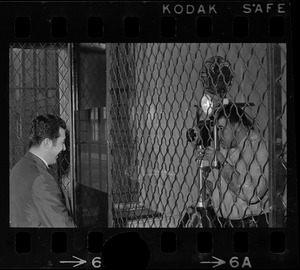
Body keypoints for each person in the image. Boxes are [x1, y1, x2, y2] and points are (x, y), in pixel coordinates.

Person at [204, 104, 269, 228]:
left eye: (222, 128)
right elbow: (211, 187)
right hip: (223, 222)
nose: (218, 135)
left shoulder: (260, 148)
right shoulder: (223, 148)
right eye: (216, 129)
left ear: (237, 126)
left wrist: (222, 162)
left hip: (252, 223)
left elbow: (252, 194)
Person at [10, 114, 76, 227]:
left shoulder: (19, 166)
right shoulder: (42, 179)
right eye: (62, 142)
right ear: (47, 143)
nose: (64, 148)